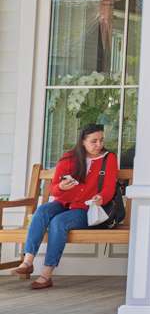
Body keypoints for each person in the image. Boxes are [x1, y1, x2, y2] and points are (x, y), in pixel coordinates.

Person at [11, 123, 118, 290]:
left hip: (86, 209)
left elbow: (109, 188)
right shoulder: (69, 158)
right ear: (83, 141)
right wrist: (61, 187)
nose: (99, 145)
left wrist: (100, 198)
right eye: (94, 141)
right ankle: (28, 261)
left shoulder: (109, 158)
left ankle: (46, 274)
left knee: (58, 222)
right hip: (63, 203)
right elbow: (54, 188)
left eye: (101, 140)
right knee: (43, 210)